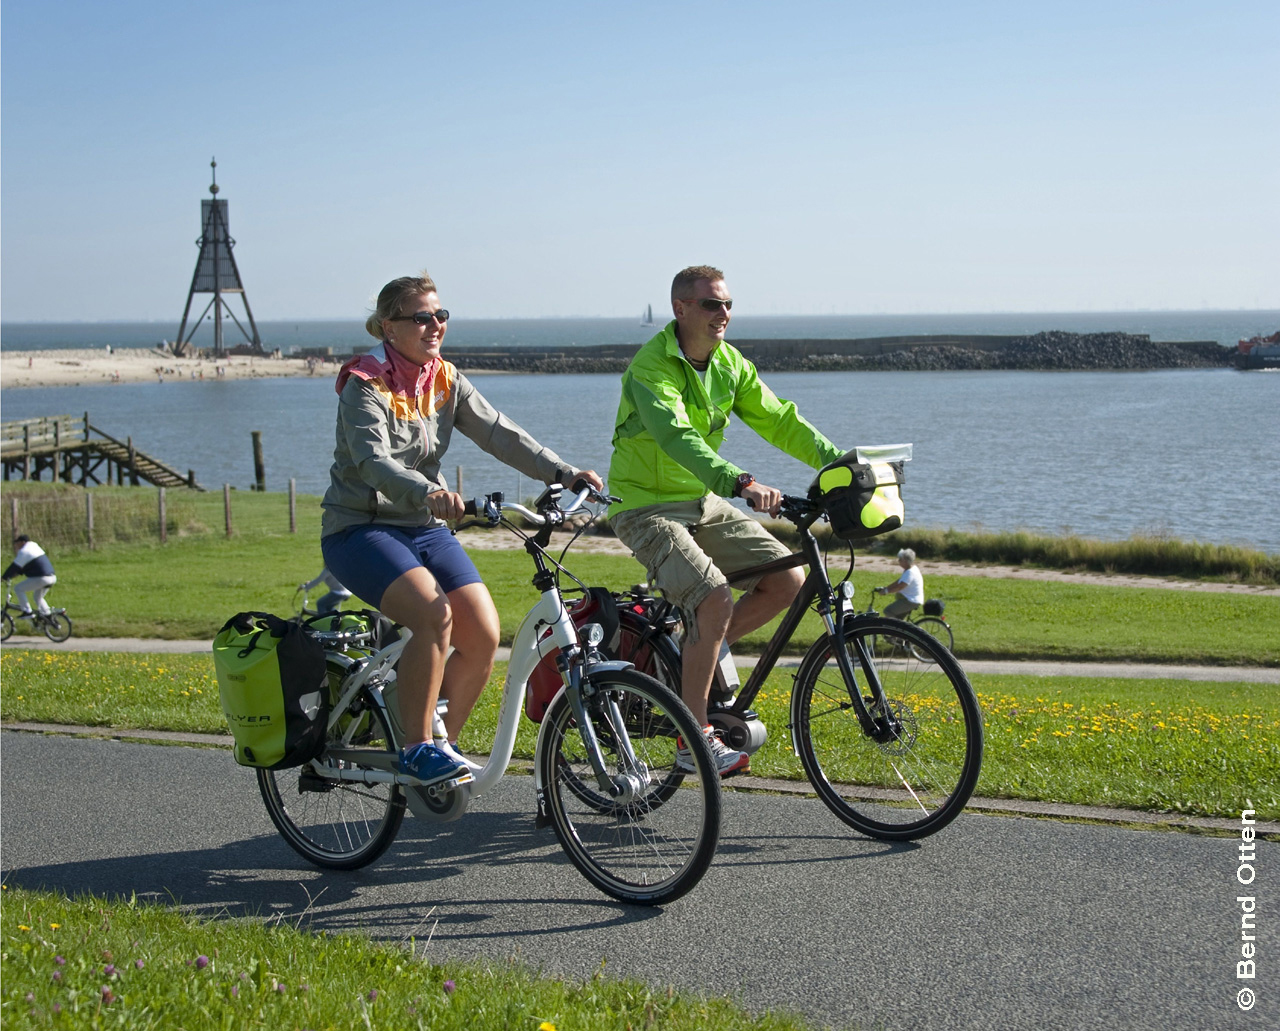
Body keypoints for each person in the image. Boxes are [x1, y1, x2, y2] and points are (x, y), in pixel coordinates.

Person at [321, 272, 603, 788]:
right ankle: (416, 749)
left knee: (483, 634)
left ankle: (438, 744)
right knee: (434, 616)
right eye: (421, 317)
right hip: (361, 528)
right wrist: (426, 491)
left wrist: (564, 473)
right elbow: (372, 461)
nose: (435, 325)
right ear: (388, 326)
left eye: (441, 315)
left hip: (423, 526)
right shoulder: (365, 382)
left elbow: (500, 434)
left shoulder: (445, 378)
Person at [608, 265, 846, 776]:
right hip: (644, 508)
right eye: (712, 304)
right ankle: (691, 738)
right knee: (713, 597)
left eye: (728, 304)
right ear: (681, 309)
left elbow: (778, 419)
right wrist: (741, 482)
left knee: (788, 579)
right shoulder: (651, 367)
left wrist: (839, 465)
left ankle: (691, 653)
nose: (724, 313)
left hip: (700, 500)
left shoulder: (729, 363)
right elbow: (677, 437)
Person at [2, 535, 57, 619]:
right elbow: (27, 565)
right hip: (52, 577)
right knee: (37, 597)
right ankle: (47, 615)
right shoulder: (34, 546)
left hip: (42, 578)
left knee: (18, 588)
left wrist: (3, 578)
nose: (16, 545)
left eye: (17, 543)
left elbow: (13, 568)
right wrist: (16, 574)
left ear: (22, 542)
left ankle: (27, 611)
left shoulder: (24, 551)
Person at [875, 548, 924, 618]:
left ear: (906, 561)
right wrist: (887, 588)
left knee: (888, 611)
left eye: (900, 559)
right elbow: (898, 582)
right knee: (898, 618)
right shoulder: (911, 569)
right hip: (911, 599)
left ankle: (892, 625)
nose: (899, 561)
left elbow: (900, 586)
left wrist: (886, 591)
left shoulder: (910, 572)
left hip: (910, 600)